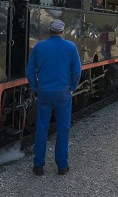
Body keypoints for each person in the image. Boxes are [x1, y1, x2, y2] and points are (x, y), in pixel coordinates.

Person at [26, 19, 81, 176]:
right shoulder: (70, 47)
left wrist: (35, 88)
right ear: (62, 32)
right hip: (63, 93)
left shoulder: (39, 46)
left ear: (49, 31)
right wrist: (71, 88)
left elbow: (30, 71)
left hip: (44, 92)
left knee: (41, 129)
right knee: (63, 129)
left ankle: (38, 166)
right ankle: (62, 167)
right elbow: (77, 72)